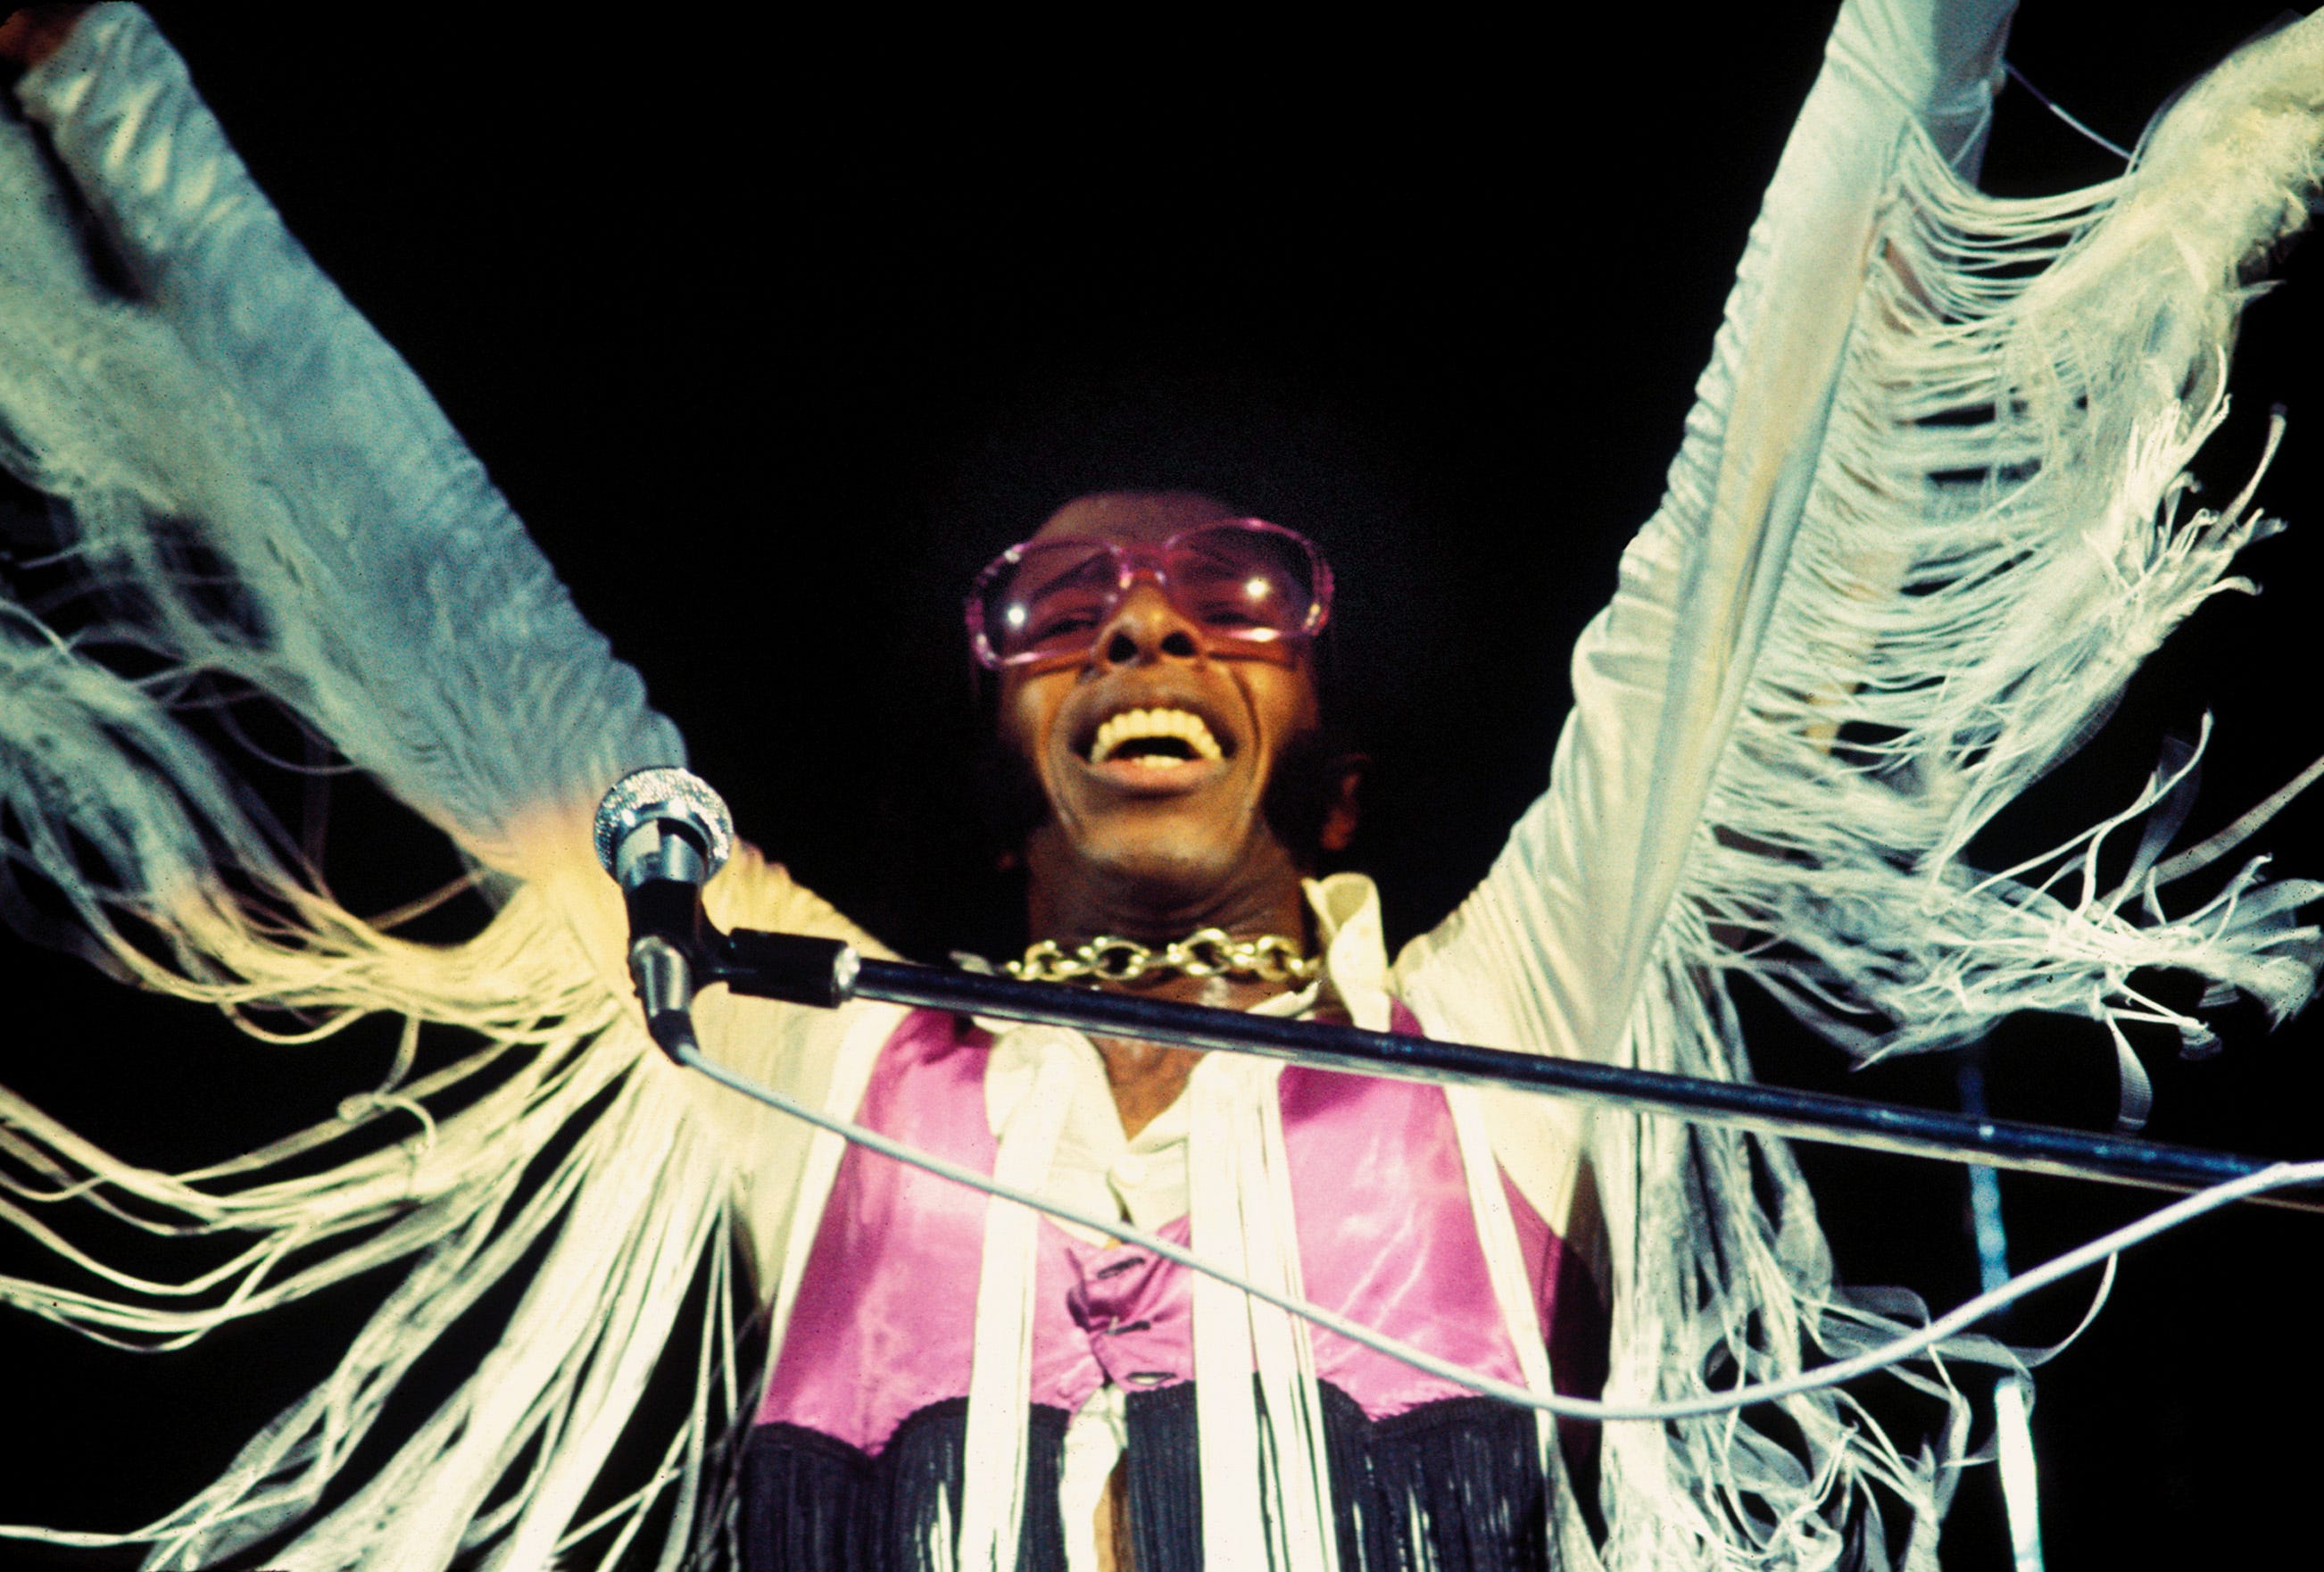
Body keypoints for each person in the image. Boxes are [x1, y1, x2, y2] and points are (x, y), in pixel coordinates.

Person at [1, 4, 2322, 1569]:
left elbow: (1763, 445)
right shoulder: (821, 1059)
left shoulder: (1490, 1027)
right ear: (1001, 746)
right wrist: (108, 83)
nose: (1140, 624)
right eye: (1063, 599)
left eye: (1228, 590)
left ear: (1329, 769)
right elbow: (445, 615)